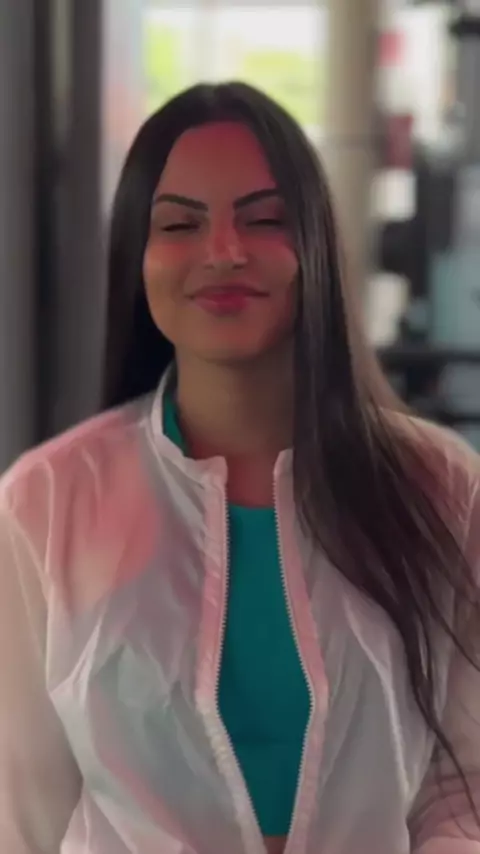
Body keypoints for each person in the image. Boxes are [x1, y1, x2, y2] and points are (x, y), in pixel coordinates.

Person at [0, 81, 479, 854]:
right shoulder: (46, 504)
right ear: (138, 257)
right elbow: (21, 809)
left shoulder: (441, 486)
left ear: (314, 245)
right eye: (179, 224)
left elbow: (464, 783)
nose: (223, 251)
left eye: (263, 220)